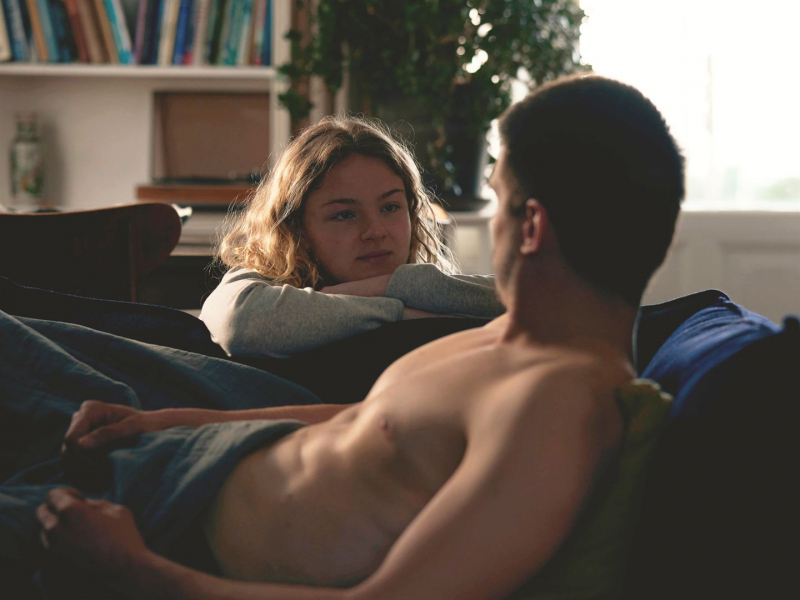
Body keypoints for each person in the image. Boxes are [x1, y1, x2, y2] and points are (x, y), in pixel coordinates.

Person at [35, 74, 685, 599]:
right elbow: (365, 418)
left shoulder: (557, 408)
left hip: (168, 535)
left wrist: (134, 571)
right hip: (178, 463)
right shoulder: (507, 342)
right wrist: (159, 423)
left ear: (532, 227)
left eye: (495, 199)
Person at [200, 116, 504, 358]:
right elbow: (240, 321)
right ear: (297, 228)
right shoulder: (266, 282)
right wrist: (398, 311)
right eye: (344, 215)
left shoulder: (424, 288)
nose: (376, 231)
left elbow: (519, 296)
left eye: (390, 207)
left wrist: (387, 285)